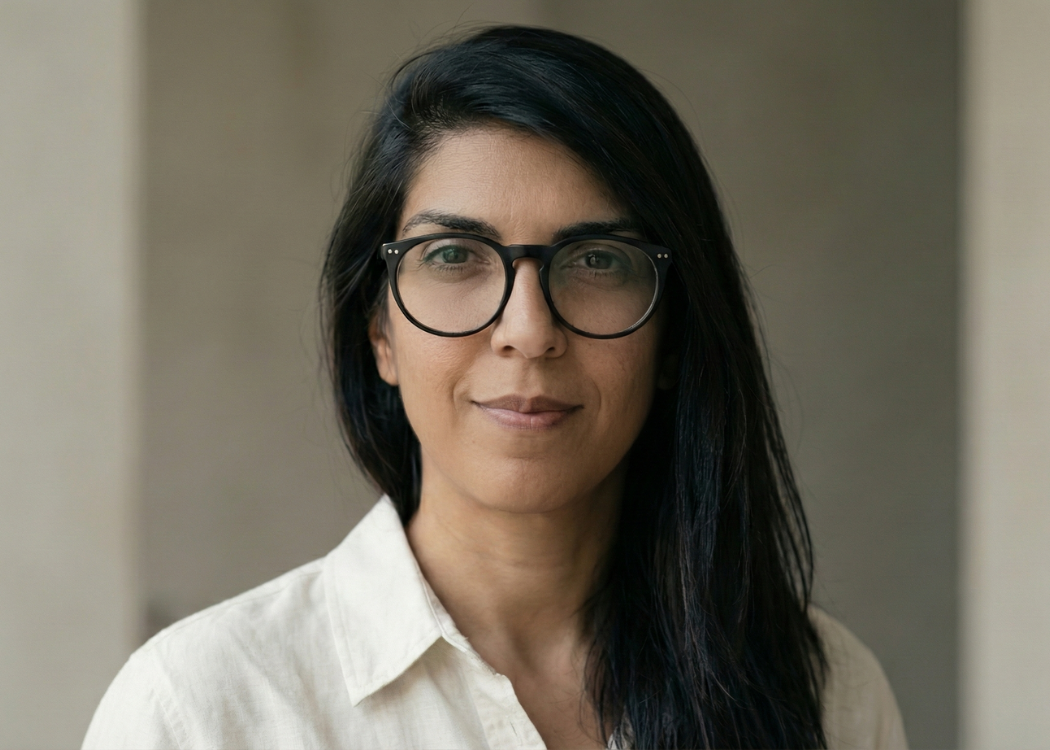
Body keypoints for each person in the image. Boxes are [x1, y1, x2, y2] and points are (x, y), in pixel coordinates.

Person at [83, 25, 906, 750]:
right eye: (453, 257)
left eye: (597, 261)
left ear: (674, 338)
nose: (527, 328)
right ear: (379, 331)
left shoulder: (827, 693)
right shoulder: (202, 711)